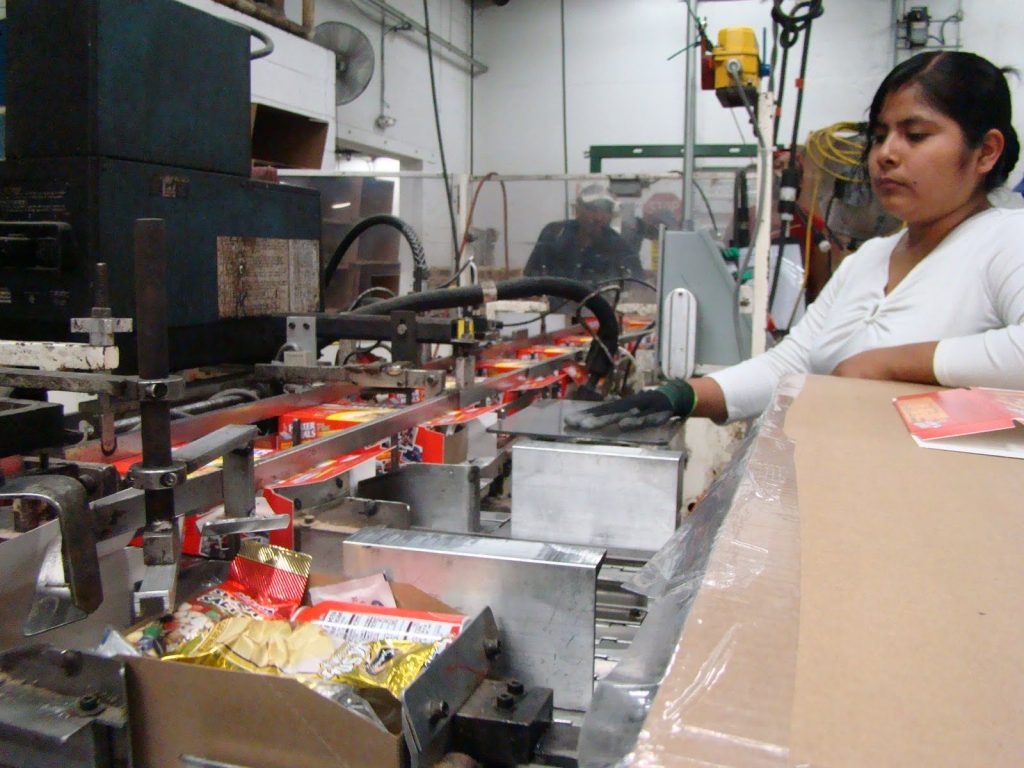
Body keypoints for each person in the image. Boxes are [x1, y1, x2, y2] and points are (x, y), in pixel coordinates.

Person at [568, 51, 1024, 431]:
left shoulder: (1004, 240)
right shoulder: (871, 258)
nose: (886, 153)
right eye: (880, 135)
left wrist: (888, 364)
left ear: (986, 151)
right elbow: (792, 363)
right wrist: (681, 396)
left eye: (916, 135)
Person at [524, 184, 644, 285]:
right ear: (577, 210)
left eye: (605, 210)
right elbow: (529, 280)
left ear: (612, 214)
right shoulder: (554, 234)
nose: (598, 217)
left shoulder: (620, 247)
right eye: (592, 209)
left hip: (599, 311)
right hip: (555, 312)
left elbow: (637, 289)